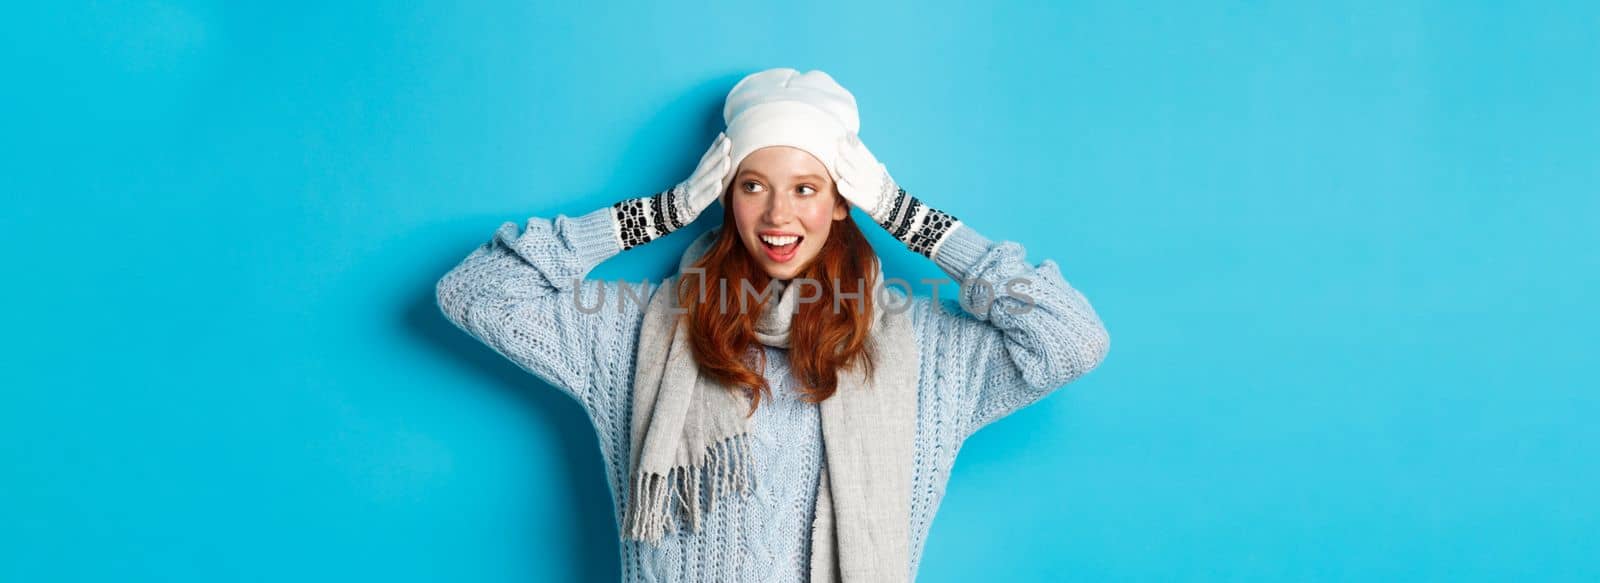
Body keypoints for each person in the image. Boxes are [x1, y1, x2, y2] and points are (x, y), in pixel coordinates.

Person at [435, 68, 1110, 583]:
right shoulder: (639, 332)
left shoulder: (923, 349)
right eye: (753, 185)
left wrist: (911, 217)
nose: (777, 214)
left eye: (806, 187)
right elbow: (478, 293)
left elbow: (1070, 339)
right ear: (725, 197)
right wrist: (655, 214)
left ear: (844, 202)